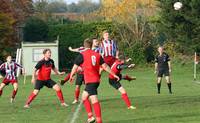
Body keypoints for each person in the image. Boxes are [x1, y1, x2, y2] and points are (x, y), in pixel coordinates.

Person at [70, 38, 120, 123]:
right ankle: (90, 116)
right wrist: (114, 74)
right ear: (91, 45)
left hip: (90, 81)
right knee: (84, 97)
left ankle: (99, 120)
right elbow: (105, 66)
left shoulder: (82, 55)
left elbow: (75, 67)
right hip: (96, 80)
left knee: (94, 100)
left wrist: (71, 75)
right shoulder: (97, 55)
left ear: (84, 45)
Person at [60, 38, 102, 104]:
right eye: (95, 41)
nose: (96, 43)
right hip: (81, 71)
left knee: (89, 86)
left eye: (97, 41)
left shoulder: (98, 50)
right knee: (77, 86)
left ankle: (90, 98)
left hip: (89, 72)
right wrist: (71, 49)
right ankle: (76, 99)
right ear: (92, 43)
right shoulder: (83, 49)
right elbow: (77, 50)